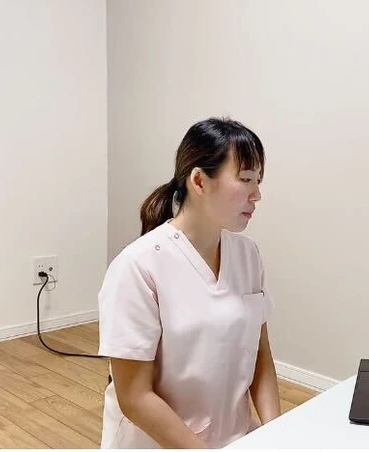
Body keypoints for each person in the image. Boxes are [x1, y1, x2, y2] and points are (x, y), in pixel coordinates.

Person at [97, 117, 280, 448]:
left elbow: (261, 356)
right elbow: (134, 396)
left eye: (258, 181)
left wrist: (277, 435)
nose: (256, 195)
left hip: (233, 438)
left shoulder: (247, 254)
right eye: (245, 180)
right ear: (199, 181)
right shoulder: (138, 267)